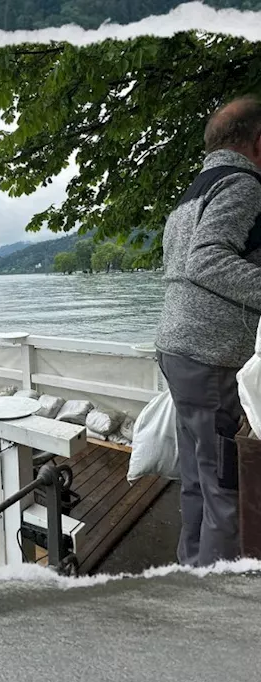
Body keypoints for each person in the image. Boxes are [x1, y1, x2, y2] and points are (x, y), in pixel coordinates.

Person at [154, 95, 261, 566]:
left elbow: (181, 264)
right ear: (259, 142)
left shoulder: (191, 193)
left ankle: (189, 573)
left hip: (178, 352)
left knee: (199, 481)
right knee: (227, 490)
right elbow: (208, 260)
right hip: (213, 358)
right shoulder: (244, 185)